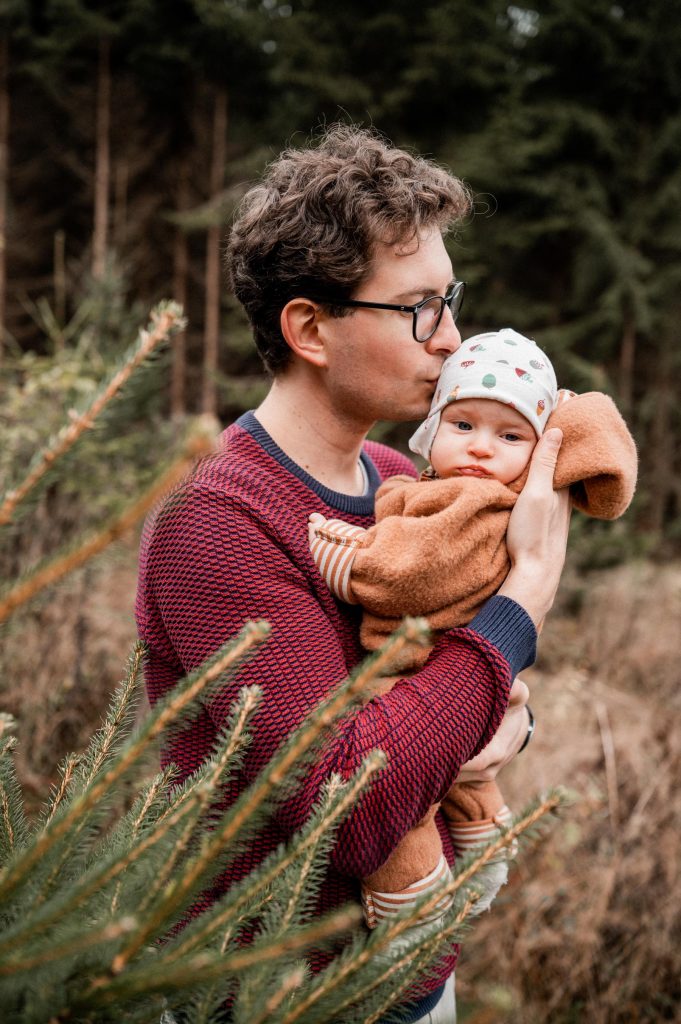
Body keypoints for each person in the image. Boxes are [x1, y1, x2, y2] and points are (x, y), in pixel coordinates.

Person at [135, 125, 572, 1024]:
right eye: (418, 308)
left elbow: (474, 684)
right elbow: (356, 806)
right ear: (310, 329)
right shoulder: (216, 523)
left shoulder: (409, 483)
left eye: (450, 299)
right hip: (276, 998)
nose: (453, 339)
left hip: (415, 973)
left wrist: (509, 731)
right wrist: (524, 594)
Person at [308, 327, 637, 928]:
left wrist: (355, 560)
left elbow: (407, 574)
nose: (482, 448)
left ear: (539, 450)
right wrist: (506, 717)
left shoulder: (472, 504)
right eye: (463, 426)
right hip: (454, 689)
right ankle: (485, 842)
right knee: (453, 789)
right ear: (435, 429)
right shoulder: (422, 481)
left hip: (409, 671)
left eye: (509, 435)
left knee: (405, 829)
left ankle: (413, 901)